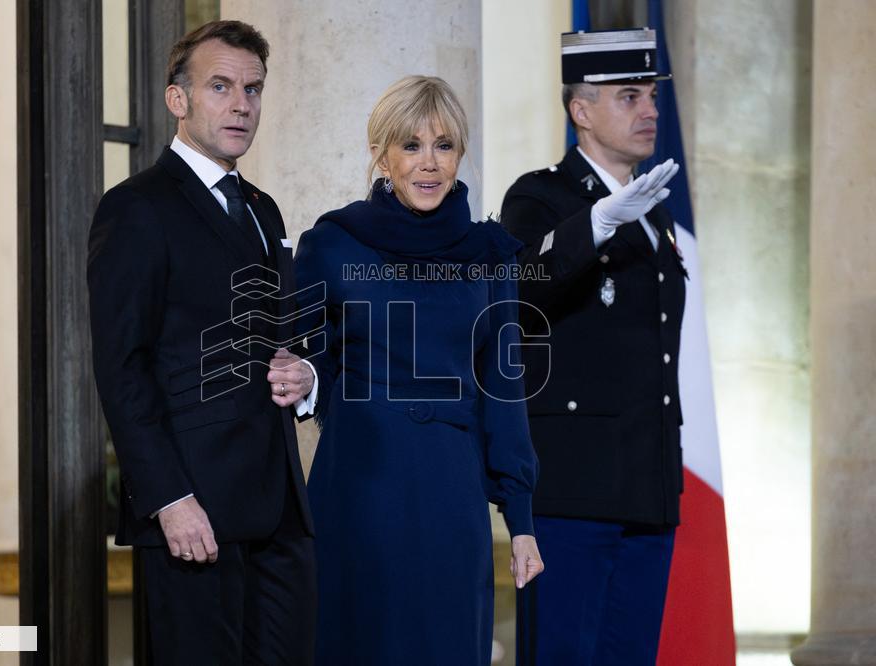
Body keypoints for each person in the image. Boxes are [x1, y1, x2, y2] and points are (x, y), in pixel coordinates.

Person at [88, 20, 317, 665]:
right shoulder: (135, 208)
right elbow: (121, 365)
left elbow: (283, 335)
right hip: (193, 515)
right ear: (177, 99)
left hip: (279, 513)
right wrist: (167, 498)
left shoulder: (262, 209)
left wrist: (303, 375)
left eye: (253, 88)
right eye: (221, 86)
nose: (242, 104)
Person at [294, 75, 543, 666]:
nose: (428, 163)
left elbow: (503, 391)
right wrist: (313, 383)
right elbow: (309, 357)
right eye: (411, 145)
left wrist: (522, 518)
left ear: (461, 154)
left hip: (449, 493)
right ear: (381, 154)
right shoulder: (331, 242)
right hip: (358, 483)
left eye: (444, 145)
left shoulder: (492, 254)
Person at [501, 28, 686, 665]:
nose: (651, 111)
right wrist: (598, 222)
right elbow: (521, 290)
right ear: (581, 111)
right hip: (573, 489)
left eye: (651, 97)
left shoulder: (653, 208)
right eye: (629, 97)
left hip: (647, 486)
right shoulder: (540, 197)